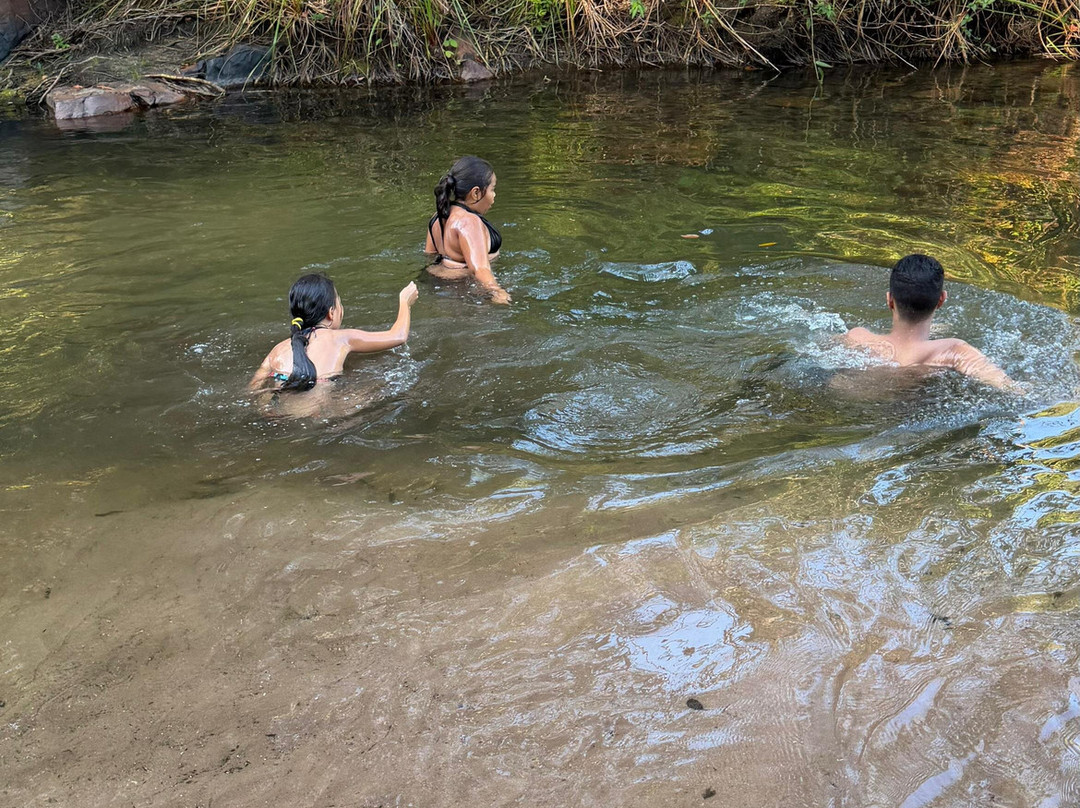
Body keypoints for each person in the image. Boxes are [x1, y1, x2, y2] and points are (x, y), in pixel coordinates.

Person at [843, 254, 1019, 390]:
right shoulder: (954, 351)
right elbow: (1007, 387)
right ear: (941, 299)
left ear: (889, 300)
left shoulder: (857, 337)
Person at [250, 274, 418, 392]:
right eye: (340, 303)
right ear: (331, 313)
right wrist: (405, 302)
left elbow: (254, 387)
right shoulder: (342, 338)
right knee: (382, 385)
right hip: (322, 411)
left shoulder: (277, 350)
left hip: (277, 408)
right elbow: (399, 336)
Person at [424, 156, 511, 305]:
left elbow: (430, 256)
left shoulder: (439, 216)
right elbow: (481, 269)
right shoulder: (469, 222)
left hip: (438, 287)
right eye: (492, 189)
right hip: (466, 293)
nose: (494, 195)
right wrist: (498, 292)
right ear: (476, 193)